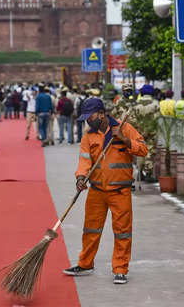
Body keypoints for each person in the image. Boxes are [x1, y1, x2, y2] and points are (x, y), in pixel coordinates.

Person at [63, 98, 148, 285]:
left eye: (90, 116)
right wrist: (80, 177)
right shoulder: (88, 136)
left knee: (122, 232)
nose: (87, 121)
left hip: (120, 191)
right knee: (90, 229)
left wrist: (123, 139)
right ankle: (85, 264)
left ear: (101, 114)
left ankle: (120, 269)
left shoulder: (123, 127)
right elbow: (84, 160)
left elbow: (143, 149)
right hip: (97, 191)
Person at [132, 84, 160, 183]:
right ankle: (148, 174)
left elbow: (133, 119)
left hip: (139, 133)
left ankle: (139, 173)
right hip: (151, 133)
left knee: (140, 151)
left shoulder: (136, 104)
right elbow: (156, 119)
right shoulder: (155, 103)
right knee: (149, 152)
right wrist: (148, 131)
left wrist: (140, 130)